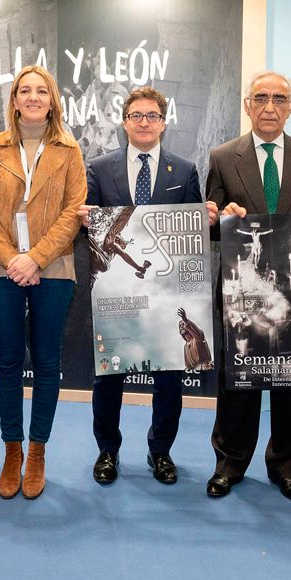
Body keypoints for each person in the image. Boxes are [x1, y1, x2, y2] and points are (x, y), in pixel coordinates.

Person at [206, 70, 291, 503]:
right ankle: (229, 464)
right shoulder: (223, 157)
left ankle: (287, 468)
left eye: (280, 98)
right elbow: (211, 229)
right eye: (261, 97)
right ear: (247, 105)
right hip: (243, 290)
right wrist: (223, 217)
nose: (270, 106)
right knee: (238, 384)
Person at [78, 86, 202, 486]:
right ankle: (107, 451)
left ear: (164, 123)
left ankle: (160, 452)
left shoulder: (184, 171)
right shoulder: (99, 168)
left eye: (152, 115)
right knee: (109, 376)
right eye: (136, 115)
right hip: (117, 290)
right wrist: (86, 220)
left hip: (168, 291)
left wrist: (207, 218)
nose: (144, 122)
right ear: (125, 122)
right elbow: (92, 235)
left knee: (169, 377)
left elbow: (195, 231)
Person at [0, 64, 86, 499]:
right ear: (15, 100)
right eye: (26, 91)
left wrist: (35, 258)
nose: (34, 97)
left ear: (52, 100)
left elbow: (73, 212)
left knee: (46, 363)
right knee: (6, 361)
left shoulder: (69, 150)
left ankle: (37, 451)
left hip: (53, 266)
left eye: (42, 91)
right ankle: (12, 450)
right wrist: (11, 259)